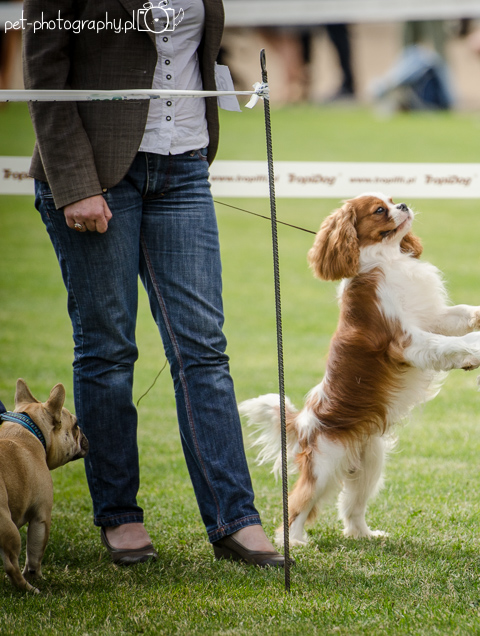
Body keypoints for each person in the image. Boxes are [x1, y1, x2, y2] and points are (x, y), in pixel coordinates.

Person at [23, 0, 288, 568]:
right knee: (108, 350)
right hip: (96, 170)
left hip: (184, 164)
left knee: (204, 350)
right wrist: (74, 181)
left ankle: (235, 520)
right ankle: (119, 515)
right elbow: (44, 69)